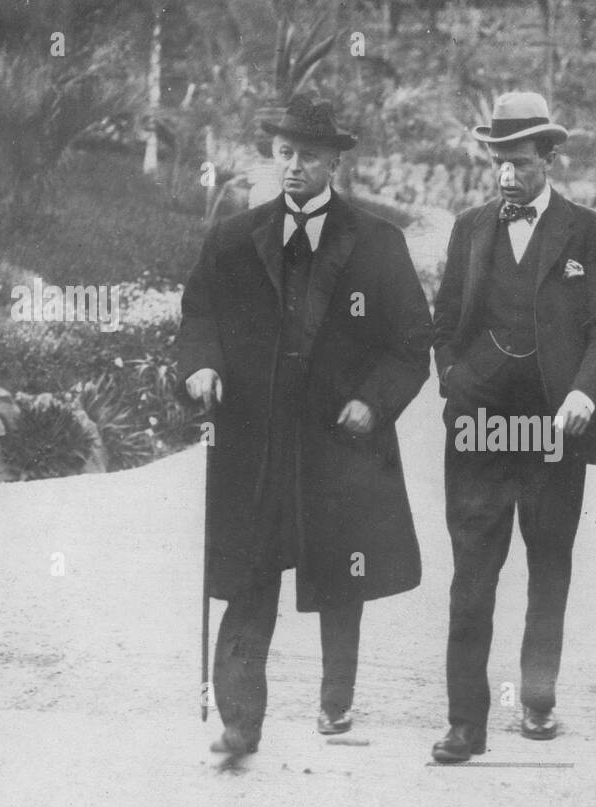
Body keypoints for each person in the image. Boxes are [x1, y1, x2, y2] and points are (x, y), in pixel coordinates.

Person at [179, 94, 432, 754]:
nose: (293, 168)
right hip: (253, 442)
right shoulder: (233, 240)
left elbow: (411, 343)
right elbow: (198, 315)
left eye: (309, 157)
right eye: (285, 154)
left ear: (334, 163)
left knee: (340, 575)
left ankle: (335, 700)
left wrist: (373, 404)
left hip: (338, 442)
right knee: (249, 573)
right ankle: (239, 721)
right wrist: (201, 367)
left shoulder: (377, 244)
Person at [430, 91, 596, 762]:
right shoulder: (470, 226)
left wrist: (584, 396)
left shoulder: (587, 231)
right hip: (479, 429)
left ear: (549, 157)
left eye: (519, 163)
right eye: (498, 164)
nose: (507, 176)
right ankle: (465, 721)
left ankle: (537, 696)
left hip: (552, 432)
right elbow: (444, 319)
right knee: (472, 575)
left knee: (549, 566)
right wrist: (452, 380)